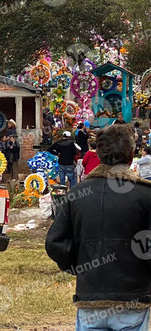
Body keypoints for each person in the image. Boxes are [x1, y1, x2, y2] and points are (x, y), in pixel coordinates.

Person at [46, 124, 151, 330]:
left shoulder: (76, 194)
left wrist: (80, 265)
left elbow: (54, 242)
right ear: (131, 155)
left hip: (90, 297)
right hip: (133, 299)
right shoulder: (145, 195)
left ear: (98, 154)